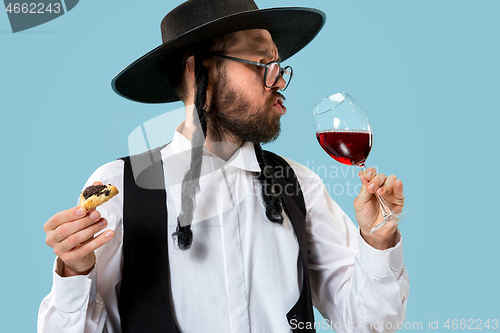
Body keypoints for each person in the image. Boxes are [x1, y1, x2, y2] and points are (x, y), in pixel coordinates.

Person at [38, 0, 409, 332]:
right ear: (201, 73)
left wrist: (378, 239)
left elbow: (371, 323)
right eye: (263, 64)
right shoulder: (119, 186)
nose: (280, 80)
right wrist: (74, 270)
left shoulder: (300, 185)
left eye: (279, 66)